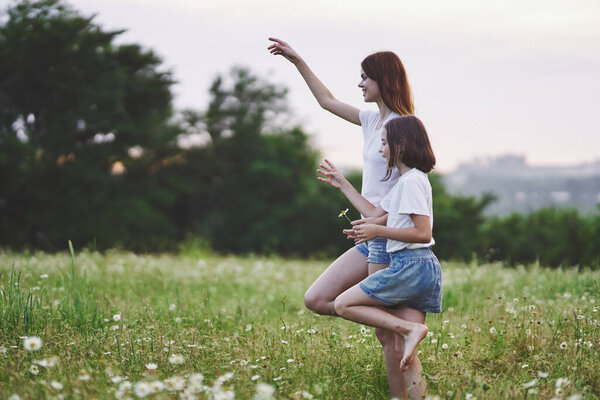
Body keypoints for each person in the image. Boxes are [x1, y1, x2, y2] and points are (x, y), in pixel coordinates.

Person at [267, 38, 417, 398]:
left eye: (366, 77)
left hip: (392, 237)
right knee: (318, 299)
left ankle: (403, 367)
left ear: (384, 80)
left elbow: (412, 185)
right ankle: (403, 328)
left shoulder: (404, 126)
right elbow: (327, 101)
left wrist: (377, 222)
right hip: (371, 234)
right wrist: (297, 60)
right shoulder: (370, 120)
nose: (360, 84)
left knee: (389, 340)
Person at [318, 115, 441, 399]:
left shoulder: (410, 183)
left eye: (384, 143)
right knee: (404, 354)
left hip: (409, 265)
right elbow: (375, 215)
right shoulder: (410, 181)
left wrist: (377, 231)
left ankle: (410, 329)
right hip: (421, 267)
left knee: (343, 304)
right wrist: (343, 184)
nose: (380, 149)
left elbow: (423, 233)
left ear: (401, 145)